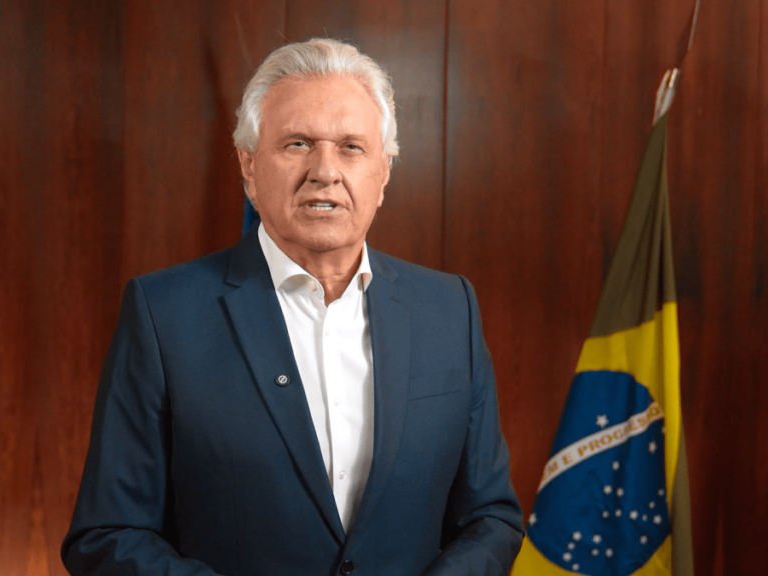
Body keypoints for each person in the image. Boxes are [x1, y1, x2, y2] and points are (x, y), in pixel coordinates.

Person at [62, 38, 523, 576]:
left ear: (384, 172)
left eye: (351, 147)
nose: (325, 170)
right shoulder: (164, 315)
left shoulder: (450, 310)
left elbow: (491, 517)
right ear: (249, 165)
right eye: (298, 143)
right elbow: (107, 534)